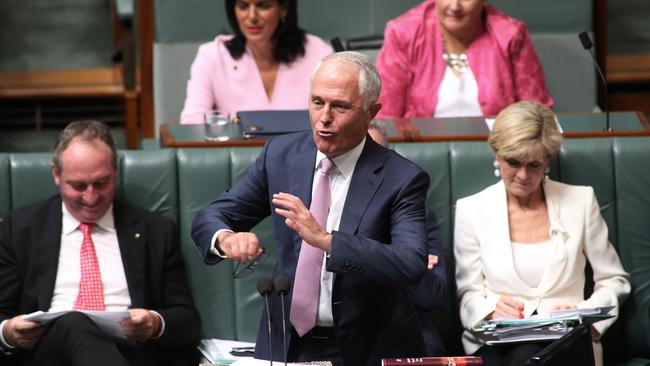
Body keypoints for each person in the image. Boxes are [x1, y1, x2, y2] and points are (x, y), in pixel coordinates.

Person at [192, 51, 431, 366]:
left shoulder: (402, 178)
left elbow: (410, 263)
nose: (324, 117)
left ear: (371, 112)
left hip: (366, 347)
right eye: (317, 102)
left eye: (340, 106)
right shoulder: (280, 155)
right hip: (287, 343)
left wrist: (328, 241)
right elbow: (212, 215)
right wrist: (225, 238)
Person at [0, 121, 201, 366]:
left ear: (115, 172)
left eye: (101, 183)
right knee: (74, 322)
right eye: (78, 186)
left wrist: (154, 323)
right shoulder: (20, 230)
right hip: (50, 354)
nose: (91, 197)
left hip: (132, 354)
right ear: (56, 174)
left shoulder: (156, 231)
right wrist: (8, 331)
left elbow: (188, 321)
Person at [453, 101, 630, 366]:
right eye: (513, 162)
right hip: (498, 342)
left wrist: (583, 314)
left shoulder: (580, 201)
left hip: (568, 340)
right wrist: (490, 312)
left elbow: (615, 280)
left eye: (534, 165)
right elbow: (468, 293)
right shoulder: (472, 210)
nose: (523, 175)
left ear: (548, 159)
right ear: (497, 155)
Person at [375, 0, 553, 119]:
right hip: (417, 156)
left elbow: (537, 116)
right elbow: (384, 118)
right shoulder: (403, 32)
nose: (455, 6)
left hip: (503, 154)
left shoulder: (511, 35)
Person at [180, 0, 333, 124]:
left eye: (263, 5)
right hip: (237, 160)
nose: (252, 16)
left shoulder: (319, 53)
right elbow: (192, 123)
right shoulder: (212, 55)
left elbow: (337, 118)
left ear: (284, 8)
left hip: (303, 158)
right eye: (243, 6)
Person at [368, 123, 448, 356]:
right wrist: (402, 260)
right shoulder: (325, 208)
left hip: (404, 322)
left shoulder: (417, 214)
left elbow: (432, 295)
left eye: (375, 158)